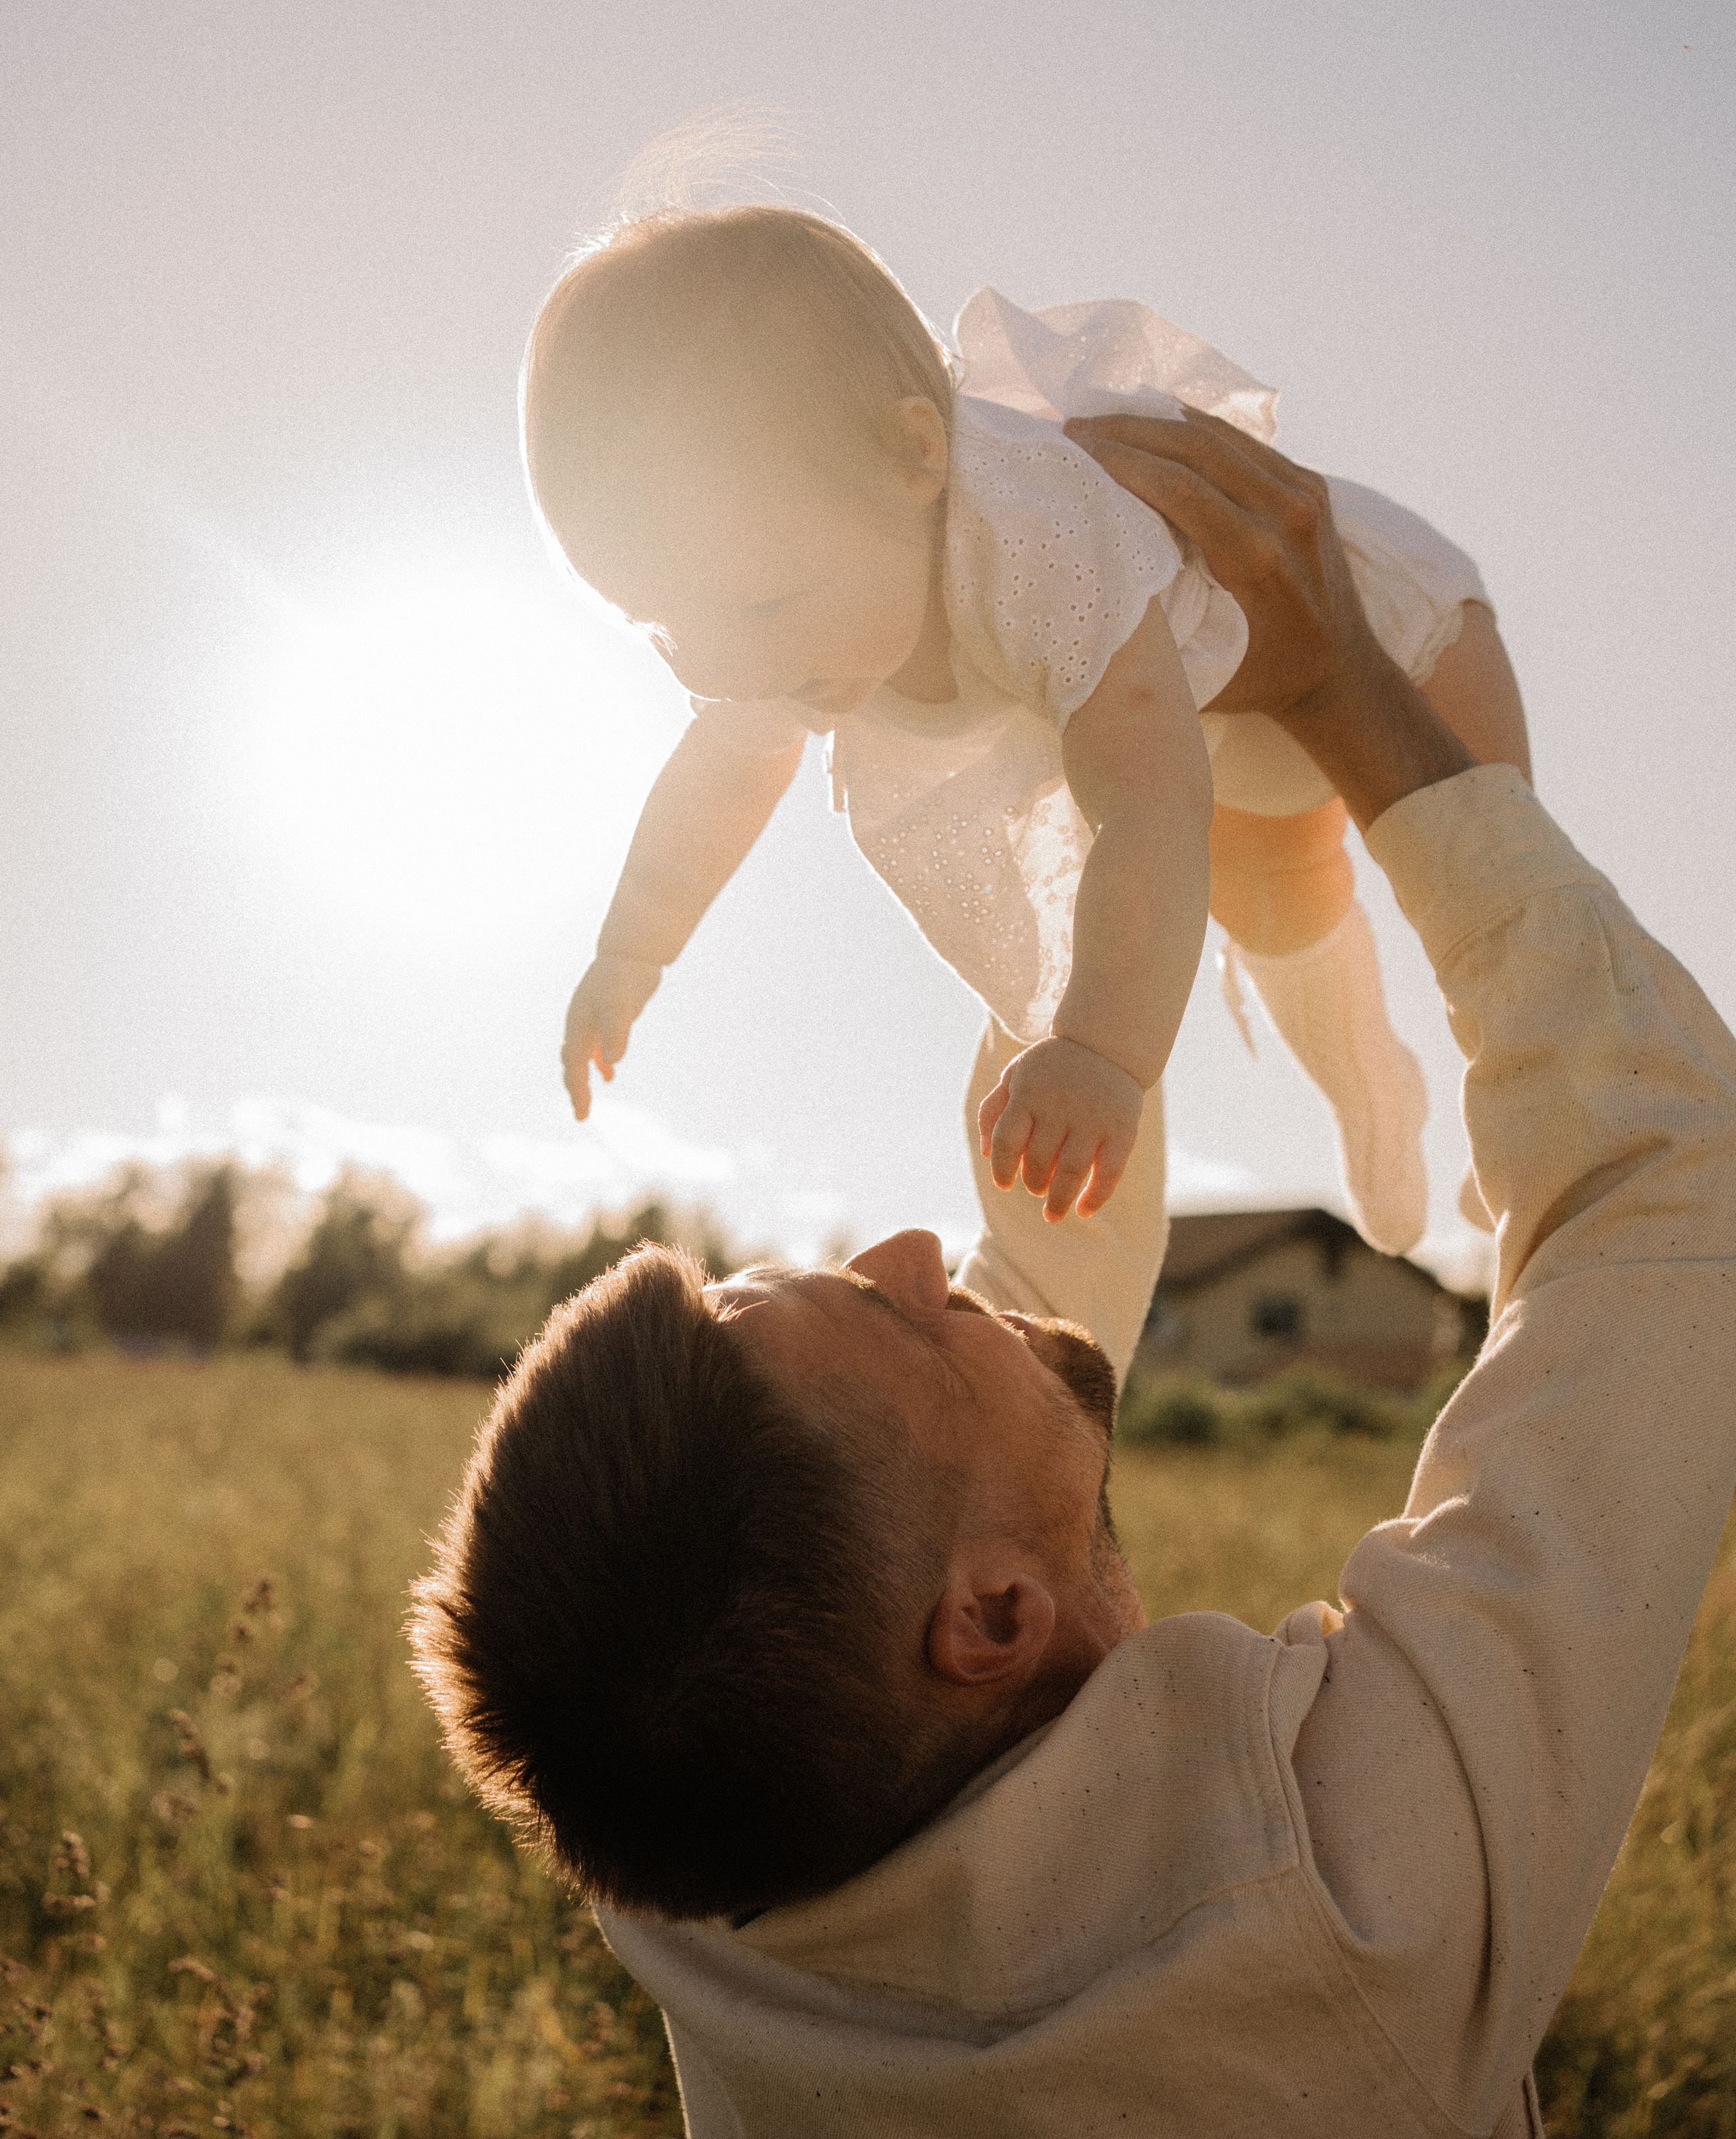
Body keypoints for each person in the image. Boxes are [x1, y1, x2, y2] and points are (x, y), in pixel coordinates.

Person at [412, 410, 1736, 2137]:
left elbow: (1033, 1280)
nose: (906, 1250)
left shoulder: (723, 1898)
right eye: (884, 1307)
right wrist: (1343, 685)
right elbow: (1661, 1184)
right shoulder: (1351, 1884)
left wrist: (1090, 917)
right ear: (989, 1621)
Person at [521, 205, 1530, 1265]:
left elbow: (1146, 806)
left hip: (1396, 625)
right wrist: (632, 949)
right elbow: (719, 778)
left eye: (759, 609)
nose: (727, 670)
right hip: (1227, 732)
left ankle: (1516, 1103)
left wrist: (1102, 1051)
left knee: (1484, 879)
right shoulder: (784, 608)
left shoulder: (1036, 539)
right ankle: (1374, 1095)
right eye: (665, 631)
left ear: (917, 456)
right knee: (1285, 905)